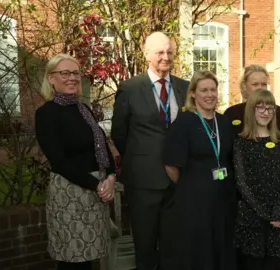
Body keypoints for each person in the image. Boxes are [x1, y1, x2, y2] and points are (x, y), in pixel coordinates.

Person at [110, 32, 189, 270]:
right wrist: (141, 157)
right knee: (144, 248)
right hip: (143, 182)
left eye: (169, 52)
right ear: (146, 54)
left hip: (177, 181)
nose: (165, 57)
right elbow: (119, 133)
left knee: (173, 247)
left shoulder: (185, 87)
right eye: (160, 52)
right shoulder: (130, 88)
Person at [35, 54, 116, 270]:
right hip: (70, 193)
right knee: (72, 260)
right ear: (51, 78)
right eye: (65, 73)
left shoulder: (84, 109)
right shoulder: (46, 114)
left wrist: (110, 176)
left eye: (75, 73)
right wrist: (97, 185)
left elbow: (101, 146)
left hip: (96, 191)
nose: (72, 78)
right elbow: (59, 161)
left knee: (90, 258)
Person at [163, 71, 236, 270]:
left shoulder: (224, 122)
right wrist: (192, 185)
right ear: (193, 93)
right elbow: (170, 165)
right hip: (194, 205)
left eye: (213, 89)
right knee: (200, 254)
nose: (210, 94)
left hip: (222, 202)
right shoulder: (184, 123)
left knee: (221, 250)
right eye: (204, 90)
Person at [233, 89, 280, 270]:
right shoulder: (241, 143)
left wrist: (279, 212)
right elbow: (241, 181)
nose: (265, 112)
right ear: (251, 110)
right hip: (252, 218)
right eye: (260, 107)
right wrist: (263, 213)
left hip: (278, 219)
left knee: (274, 264)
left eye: (270, 108)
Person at [224, 65, 280, 136]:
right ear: (244, 85)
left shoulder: (279, 113)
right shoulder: (232, 114)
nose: (260, 88)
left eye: (264, 84)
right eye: (255, 84)